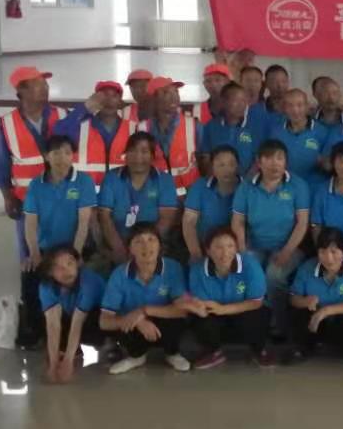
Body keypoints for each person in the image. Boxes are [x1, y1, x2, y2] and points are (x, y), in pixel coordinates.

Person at [0, 65, 68, 339]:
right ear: (21, 91)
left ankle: (64, 315)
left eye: (45, 84)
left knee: (62, 254)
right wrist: (7, 196)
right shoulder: (6, 124)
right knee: (30, 259)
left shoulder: (61, 115)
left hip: (61, 200)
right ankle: (34, 320)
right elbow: (1, 163)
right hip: (27, 206)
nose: (45, 89)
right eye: (38, 85)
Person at [230, 139, 310, 337]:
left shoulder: (298, 185)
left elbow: (302, 223)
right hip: (254, 246)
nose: (275, 163)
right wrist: (242, 251)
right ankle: (251, 322)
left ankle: (278, 323)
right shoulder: (246, 187)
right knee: (248, 272)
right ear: (259, 162)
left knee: (274, 275)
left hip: (288, 247)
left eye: (280, 158)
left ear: (286, 162)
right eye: (269, 158)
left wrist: (287, 251)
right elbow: (238, 222)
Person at [99, 223, 190, 375]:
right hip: (133, 324)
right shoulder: (119, 274)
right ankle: (136, 357)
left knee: (176, 322)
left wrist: (144, 311)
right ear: (130, 249)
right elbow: (104, 321)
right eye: (138, 241)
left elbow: (182, 310)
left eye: (151, 239)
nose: (146, 246)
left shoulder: (173, 268)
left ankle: (172, 353)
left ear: (160, 245)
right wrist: (137, 321)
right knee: (123, 325)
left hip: (162, 319)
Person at [178, 226, 270, 369]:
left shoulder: (250, 264)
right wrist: (199, 307)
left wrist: (224, 309)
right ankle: (213, 352)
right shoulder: (197, 269)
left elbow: (256, 302)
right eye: (218, 247)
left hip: (242, 310)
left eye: (230, 246)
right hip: (214, 312)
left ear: (236, 248)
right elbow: (202, 303)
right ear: (208, 250)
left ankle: (258, 351)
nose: (225, 252)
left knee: (259, 315)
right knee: (199, 319)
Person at [22, 135, 96, 294]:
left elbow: (84, 223)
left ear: (72, 156)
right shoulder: (35, 184)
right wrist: (34, 254)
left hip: (74, 247)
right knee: (30, 278)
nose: (62, 158)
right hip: (47, 250)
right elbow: (30, 223)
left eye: (67, 153)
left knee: (83, 282)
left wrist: (75, 255)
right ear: (46, 156)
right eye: (56, 153)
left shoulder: (84, 181)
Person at [286, 227, 343, 363]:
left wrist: (326, 311)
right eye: (322, 252)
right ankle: (301, 349)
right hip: (316, 321)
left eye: (334, 252)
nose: (329, 258)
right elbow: (293, 298)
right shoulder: (307, 267)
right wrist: (305, 301)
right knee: (298, 314)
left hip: (340, 319)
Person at [98, 131, 179, 267]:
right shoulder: (111, 178)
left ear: (152, 156)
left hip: (153, 247)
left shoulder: (165, 180)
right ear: (125, 155)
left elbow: (166, 219)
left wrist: (144, 249)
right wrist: (119, 249)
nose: (138, 157)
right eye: (132, 151)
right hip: (118, 247)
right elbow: (105, 217)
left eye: (144, 152)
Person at [37, 245, 106, 383]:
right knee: (43, 320)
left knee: (90, 323)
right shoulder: (46, 286)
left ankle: (108, 345)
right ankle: (68, 353)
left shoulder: (89, 282)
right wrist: (53, 365)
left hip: (95, 318)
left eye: (70, 263)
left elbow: (77, 323)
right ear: (50, 272)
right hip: (71, 314)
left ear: (77, 264)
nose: (66, 271)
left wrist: (68, 362)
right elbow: (52, 325)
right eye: (58, 267)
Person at [140, 76, 201, 198]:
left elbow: (204, 161)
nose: (173, 96)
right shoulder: (142, 128)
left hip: (188, 198)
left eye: (176, 92)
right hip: (155, 197)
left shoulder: (194, 125)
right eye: (166, 92)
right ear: (154, 99)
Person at [70, 79, 132, 186]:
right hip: (86, 191)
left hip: (119, 192)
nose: (109, 100)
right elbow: (58, 130)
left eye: (114, 96)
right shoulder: (80, 125)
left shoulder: (133, 128)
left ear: (120, 102)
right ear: (95, 99)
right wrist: (85, 107)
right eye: (104, 95)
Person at [199, 81, 265, 174]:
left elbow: (259, 158)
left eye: (243, 101)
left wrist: (246, 180)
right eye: (236, 100)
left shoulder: (254, 127)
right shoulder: (210, 127)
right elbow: (206, 157)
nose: (241, 105)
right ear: (223, 102)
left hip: (246, 180)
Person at [268, 88, 328, 186]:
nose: (295, 110)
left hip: (313, 186)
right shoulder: (276, 132)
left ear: (307, 106)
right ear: (284, 108)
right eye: (290, 106)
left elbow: (328, 163)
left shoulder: (322, 131)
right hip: (285, 186)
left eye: (300, 105)